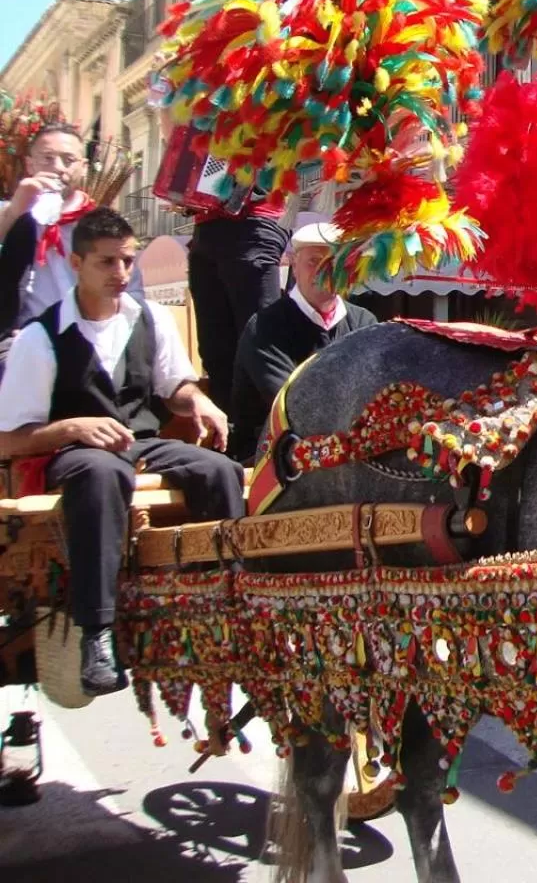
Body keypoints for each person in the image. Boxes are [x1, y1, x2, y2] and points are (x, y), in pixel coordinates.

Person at [0, 207, 244, 694]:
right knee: (100, 474)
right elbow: (9, 438)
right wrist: (72, 426)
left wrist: (199, 402)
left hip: (140, 444)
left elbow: (174, 387)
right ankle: (98, 632)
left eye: (127, 262)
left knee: (221, 470)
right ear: (76, 263)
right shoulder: (40, 337)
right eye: (107, 263)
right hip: (70, 455)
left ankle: (226, 607)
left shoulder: (148, 318)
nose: (121, 274)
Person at [231, 222, 377, 463]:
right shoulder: (266, 326)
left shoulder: (363, 321)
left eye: (334, 264)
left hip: (347, 450)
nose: (323, 271)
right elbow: (293, 401)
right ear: (293, 265)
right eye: (313, 261)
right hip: (271, 456)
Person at [0, 124, 97, 363]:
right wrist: (15, 211)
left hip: (88, 340)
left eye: (68, 159)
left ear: (83, 167)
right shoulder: (9, 213)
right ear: (30, 165)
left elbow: (130, 287)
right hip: (20, 342)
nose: (58, 168)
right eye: (47, 159)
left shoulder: (99, 223)